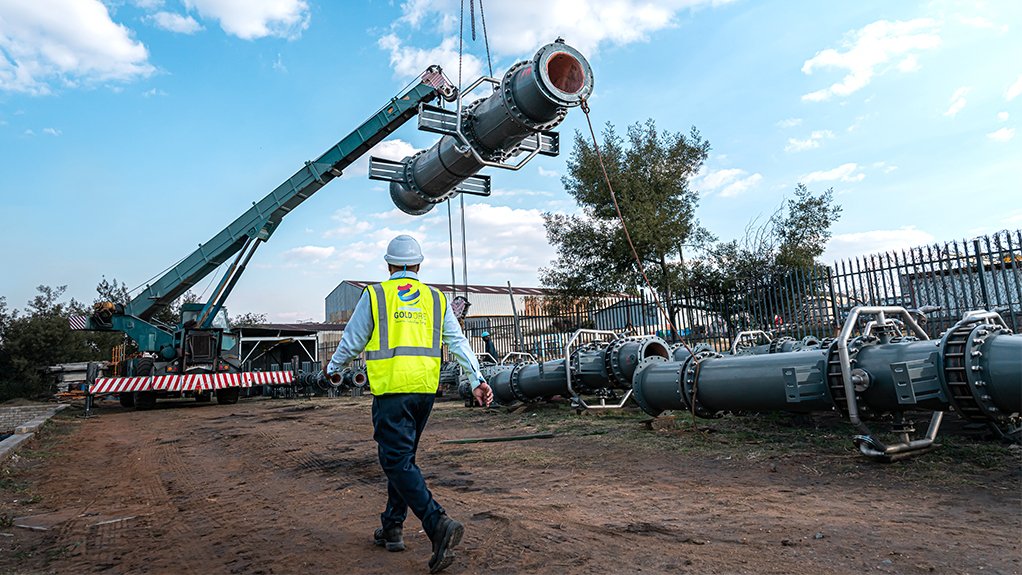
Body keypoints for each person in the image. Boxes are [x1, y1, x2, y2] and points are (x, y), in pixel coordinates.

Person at [326, 234, 493, 574]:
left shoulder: (376, 295)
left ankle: (437, 524)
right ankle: (392, 526)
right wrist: (476, 380)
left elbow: (353, 339)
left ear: (389, 265)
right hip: (425, 392)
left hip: (392, 392)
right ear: (418, 265)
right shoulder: (435, 298)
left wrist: (333, 368)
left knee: (395, 461)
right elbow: (457, 341)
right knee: (404, 461)